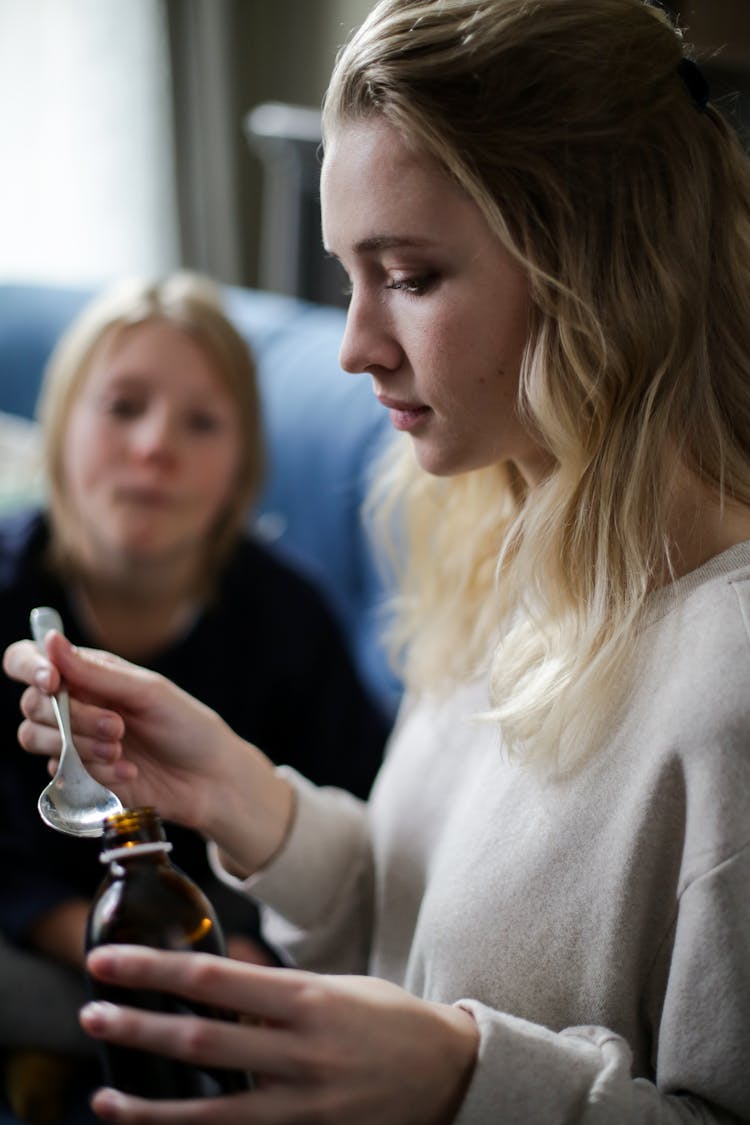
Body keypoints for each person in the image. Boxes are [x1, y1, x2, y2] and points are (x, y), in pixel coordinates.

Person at [5, 0, 750, 1120]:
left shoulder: (728, 685)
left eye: (406, 276)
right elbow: (413, 924)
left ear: (598, 273)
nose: (353, 347)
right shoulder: (500, 547)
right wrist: (244, 798)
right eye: (346, 277)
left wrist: (465, 1080)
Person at [0, 272, 390, 1123]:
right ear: (60, 428)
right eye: (123, 407)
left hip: (244, 950)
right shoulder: (8, 596)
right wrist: (151, 948)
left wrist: (238, 946)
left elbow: (358, 818)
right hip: (50, 945)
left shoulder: (290, 619)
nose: (154, 447)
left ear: (240, 469)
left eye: (201, 422)